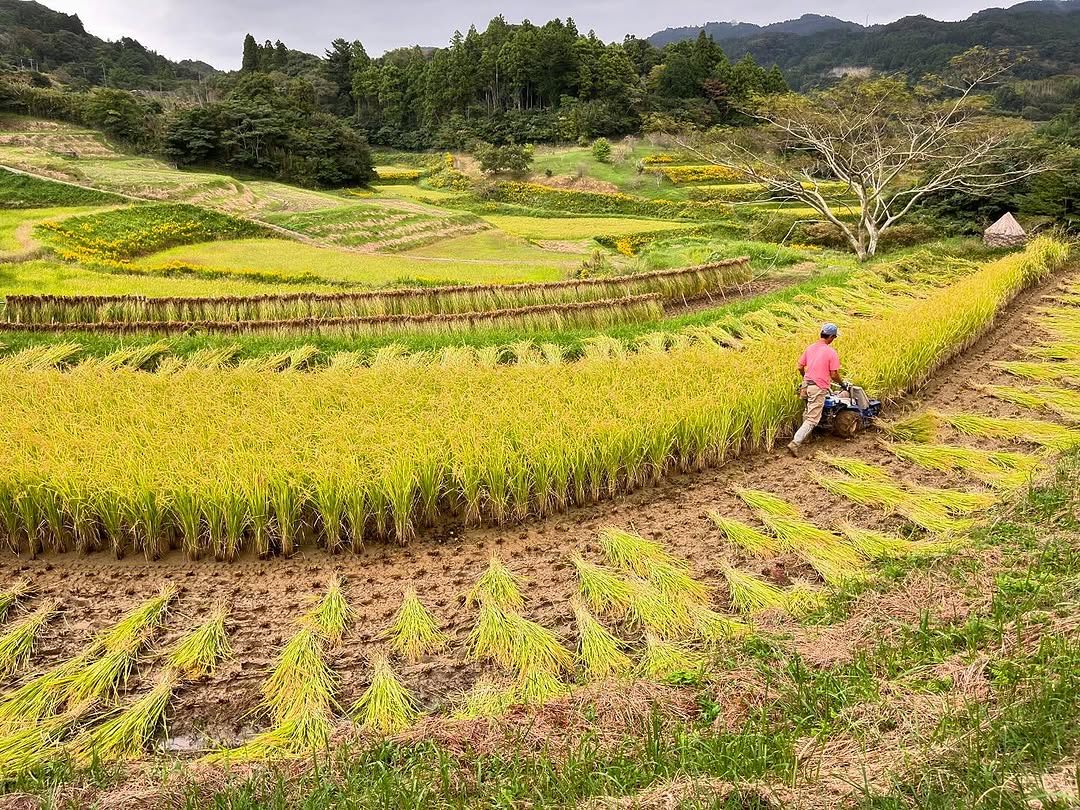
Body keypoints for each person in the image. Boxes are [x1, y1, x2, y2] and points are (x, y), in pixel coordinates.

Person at [788, 323, 843, 457]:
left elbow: (800, 367)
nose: (833, 339)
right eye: (834, 337)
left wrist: (805, 378)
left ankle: (807, 438)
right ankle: (795, 443)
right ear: (830, 336)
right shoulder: (831, 352)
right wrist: (842, 384)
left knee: (807, 412)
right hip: (817, 388)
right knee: (813, 419)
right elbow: (834, 374)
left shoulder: (810, 348)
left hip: (806, 385)